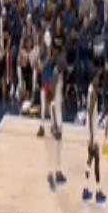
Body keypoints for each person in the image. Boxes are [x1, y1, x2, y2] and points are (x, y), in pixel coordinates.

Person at [83, 70, 106, 204]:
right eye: (97, 77)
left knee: (90, 160)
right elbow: (91, 113)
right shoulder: (93, 94)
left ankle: (85, 189)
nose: (99, 79)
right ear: (93, 78)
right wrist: (92, 137)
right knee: (96, 160)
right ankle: (98, 191)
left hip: (90, 129)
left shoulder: (90, 90)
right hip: (92, 131)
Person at [47, 61, 67, 191]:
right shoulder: (55, 76)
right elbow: (52, 99)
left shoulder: (59, 76)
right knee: (55, 146)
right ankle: (51, 176)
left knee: (59, 146)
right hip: (55, 111)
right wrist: (54, 125)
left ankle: (58, 172)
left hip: (58, 112)